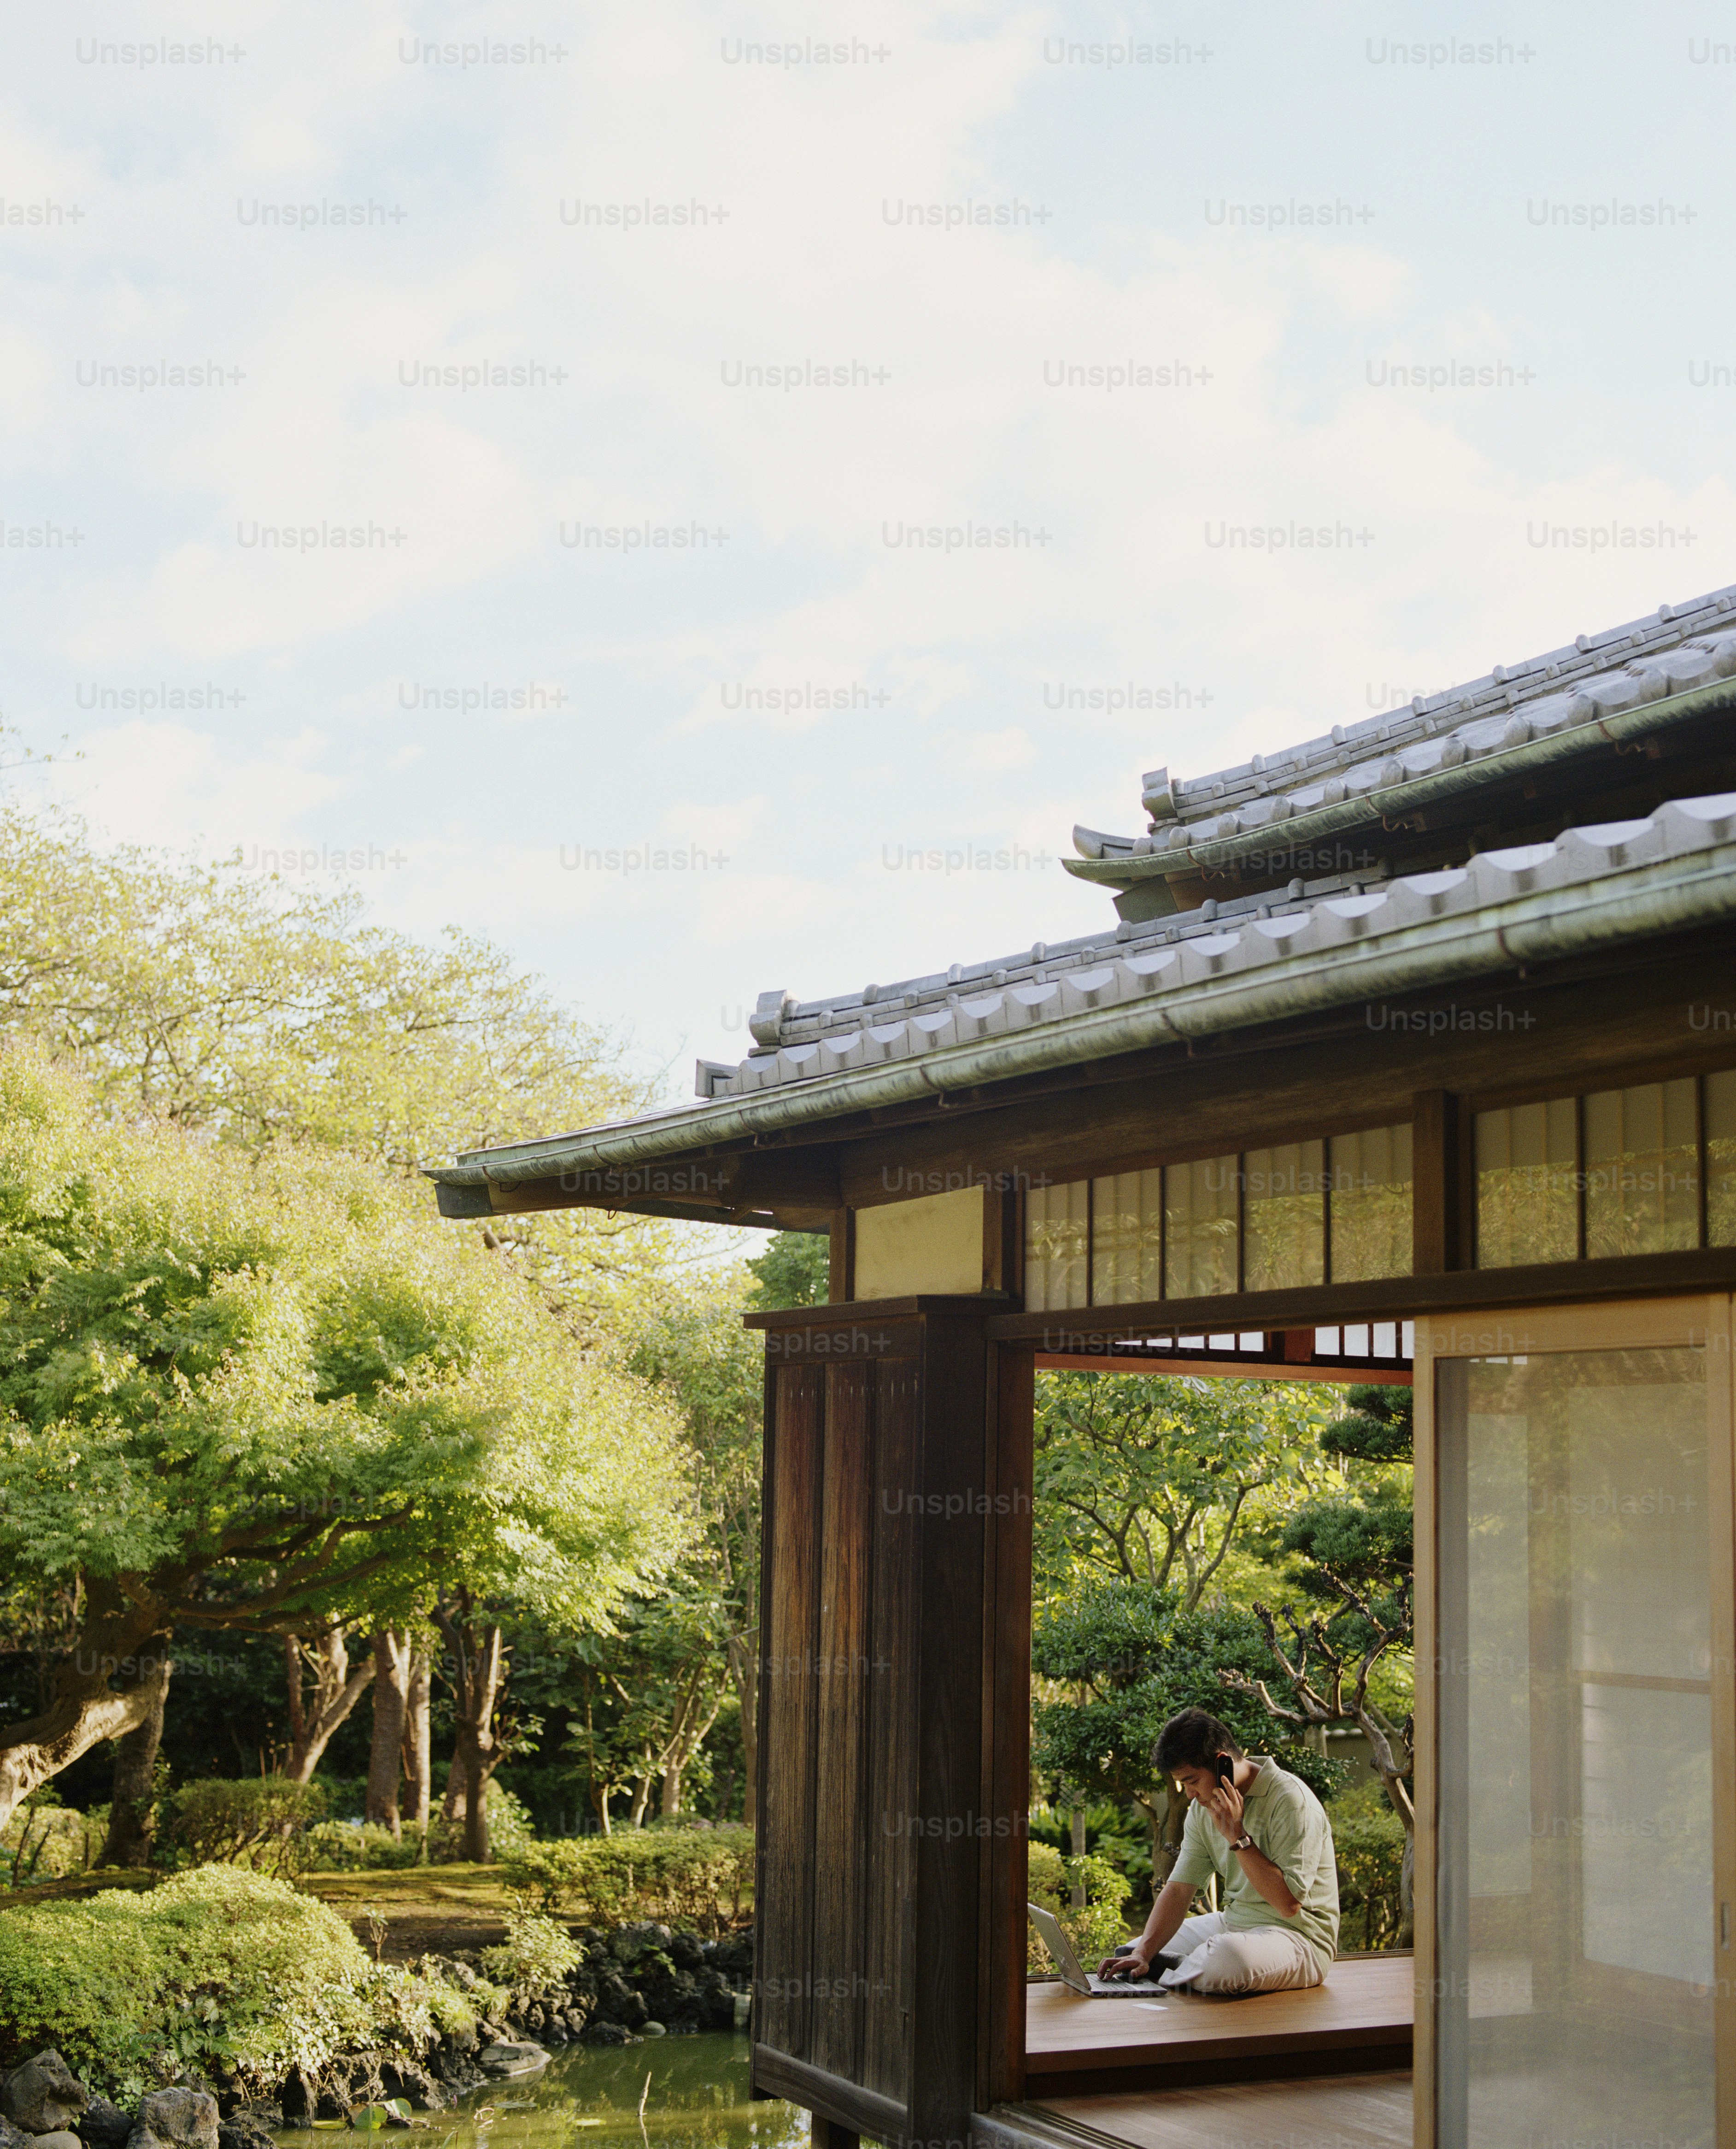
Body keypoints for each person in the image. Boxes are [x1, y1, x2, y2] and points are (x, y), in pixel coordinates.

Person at [1097, 1707, 1339, 1996]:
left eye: (1192, 1781)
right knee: (1133, 1951)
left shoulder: (1292, 1801)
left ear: (1222, 1763)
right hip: (1234, 1925)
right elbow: (1178, 1889)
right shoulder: (1203, 1811)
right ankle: (1179, 1968)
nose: (1189, 1794)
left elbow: (1288, 1905)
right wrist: (1145, 1952)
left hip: (1300, 1939)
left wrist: (1237, 1836)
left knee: (1227, 1959)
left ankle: (1174, 1973)